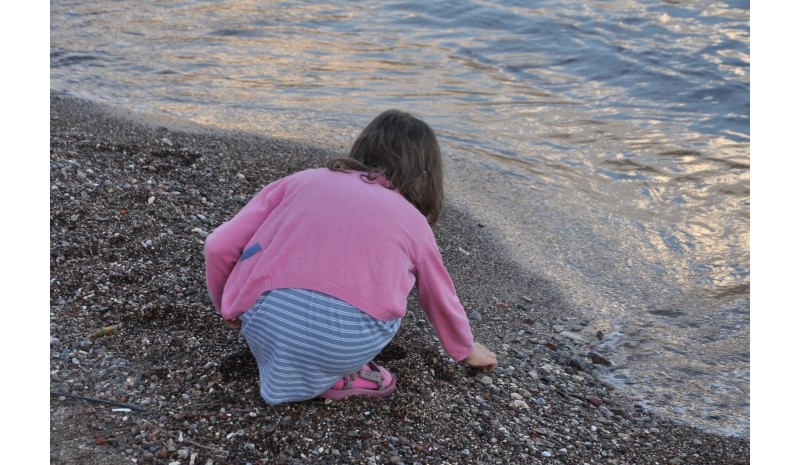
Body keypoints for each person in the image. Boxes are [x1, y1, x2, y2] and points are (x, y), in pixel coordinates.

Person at [204, 109, 497, 405]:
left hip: (264, 322)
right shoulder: (414, 222)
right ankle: (340, 376)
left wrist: (228, 308)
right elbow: (439, 298)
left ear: (363, 146)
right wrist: (465, 348)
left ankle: (290, 369)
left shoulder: (301, 181)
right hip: (342, 341)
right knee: (391, 297)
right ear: (425, 175)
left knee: (271, 255)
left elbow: (218, 246)